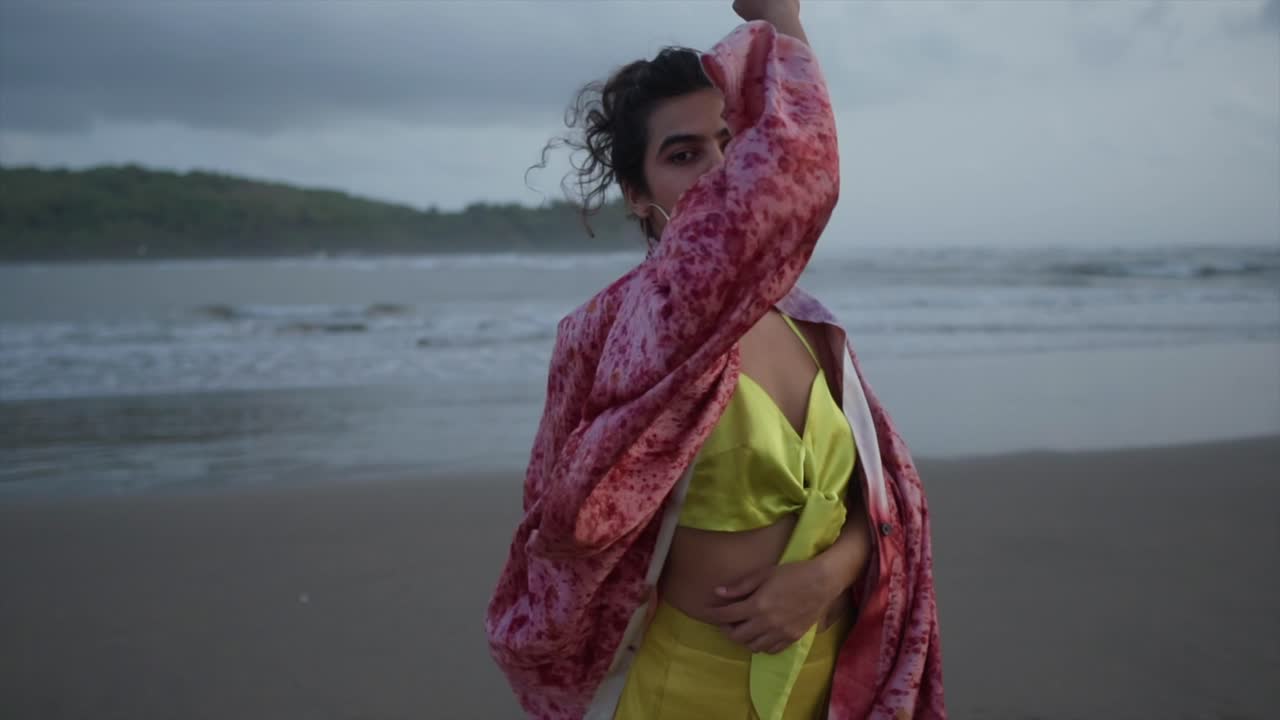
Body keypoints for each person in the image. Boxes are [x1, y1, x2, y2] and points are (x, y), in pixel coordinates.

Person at [487, 2, 944, 718]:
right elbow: (562, 535)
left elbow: (885, 500)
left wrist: (829, 574)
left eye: (734, 143)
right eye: (684, 154)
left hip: (831, 685)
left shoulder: (808, 324)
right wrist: (781, 20)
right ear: (638, 197)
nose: (722, 172)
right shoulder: (629, 334)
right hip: (692, 695)